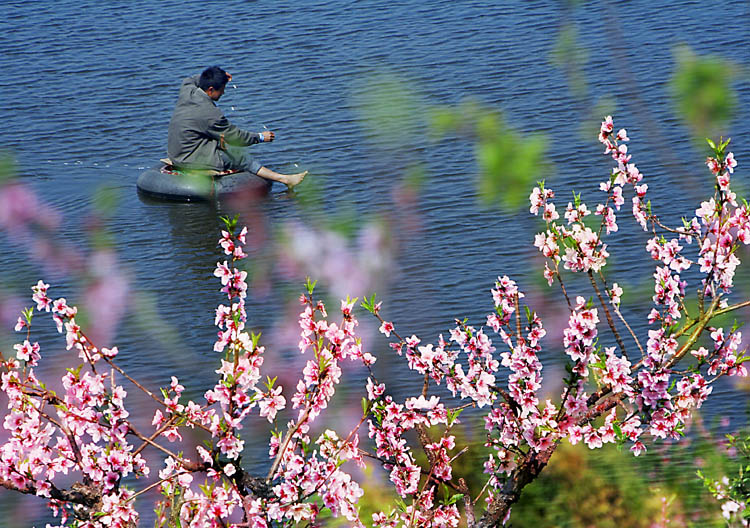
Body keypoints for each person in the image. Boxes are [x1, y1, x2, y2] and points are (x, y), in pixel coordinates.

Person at [167, 66, 307, 189]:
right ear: (210, 89)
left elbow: (191, 79)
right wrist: (260, 137)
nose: (223, 93)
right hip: (190, 158)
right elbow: (235, 136)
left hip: (176, 152)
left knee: (220, 143)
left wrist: (219, 76)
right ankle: (285, 179)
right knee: (240, 156)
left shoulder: (187, 91)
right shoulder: (210, 114)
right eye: (221, 89)